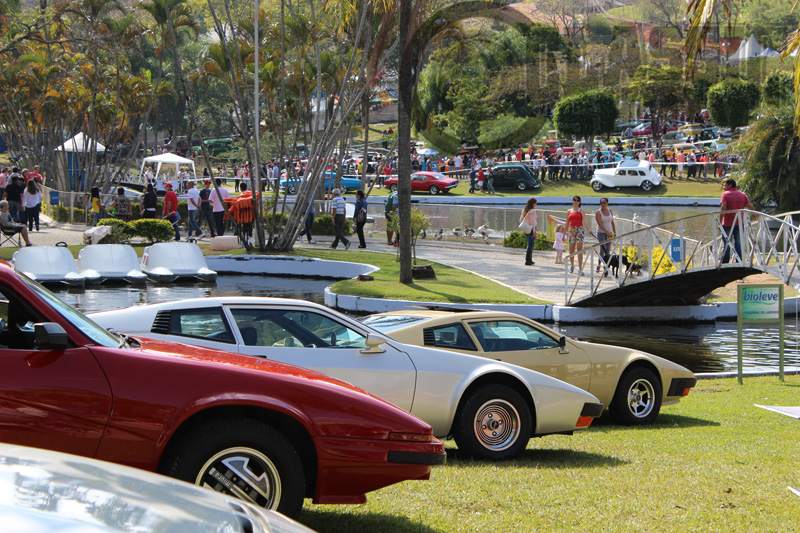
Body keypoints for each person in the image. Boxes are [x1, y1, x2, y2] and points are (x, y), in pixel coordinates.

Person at [720, 177, 755, 263]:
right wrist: (757, 216)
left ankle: (725, 262)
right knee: (739, 242)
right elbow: (750, 206)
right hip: (739, 223)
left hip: (727, 223)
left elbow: (723, 207)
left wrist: (720, 222)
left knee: (727, 243)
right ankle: (739, 261)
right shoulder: (743, 195)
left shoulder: (725, 194)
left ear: (730, 185)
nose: (724, 187)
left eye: (725, 185)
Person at [567, 195, 592, 274]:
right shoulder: (569, 211)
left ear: (579, 202)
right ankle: (572, 265)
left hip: (579, 230)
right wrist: (564, 232)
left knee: (579, 249)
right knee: (571, 249)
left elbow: (585, 221)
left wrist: (589, 229)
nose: (575, 202)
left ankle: (580, 268)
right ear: (572, 201)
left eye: (577, 200)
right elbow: (567, 223)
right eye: (574, 200)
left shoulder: (581, 210)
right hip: (572, 230)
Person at [595, 197, 616, 273]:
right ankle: (599, 265)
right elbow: (599, 223)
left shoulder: (610, 211)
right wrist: (606, 231)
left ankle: (606, 266)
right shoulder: (598, 212)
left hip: (609, 233)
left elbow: (612, 222)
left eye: (604, 202)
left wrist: (614, 232)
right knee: (602, 249)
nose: (602, 204)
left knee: (608, 250)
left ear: (607, 203)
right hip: (601, 233)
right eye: (601, 203)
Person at [519, 198, 537, 266]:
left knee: (529, 243)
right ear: (533, 203)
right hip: (531, 228)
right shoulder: (532, 211)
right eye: (535, 203)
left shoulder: (524, 210)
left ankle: (529, 259)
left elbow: (521, 220)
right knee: (531, 244)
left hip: (526, 228)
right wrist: (534, 231)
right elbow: (532, 222)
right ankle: (528, 260)